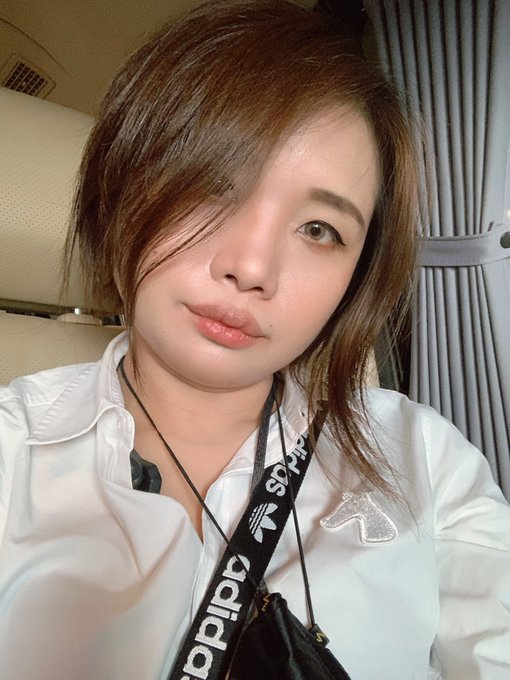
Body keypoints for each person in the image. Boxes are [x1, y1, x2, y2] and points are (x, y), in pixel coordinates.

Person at [0, 1, 509, 678]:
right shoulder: (13, 453)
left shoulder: (425, 459)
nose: (251, 266)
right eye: (212, 187)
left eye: (319, 230)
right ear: (119, 186)